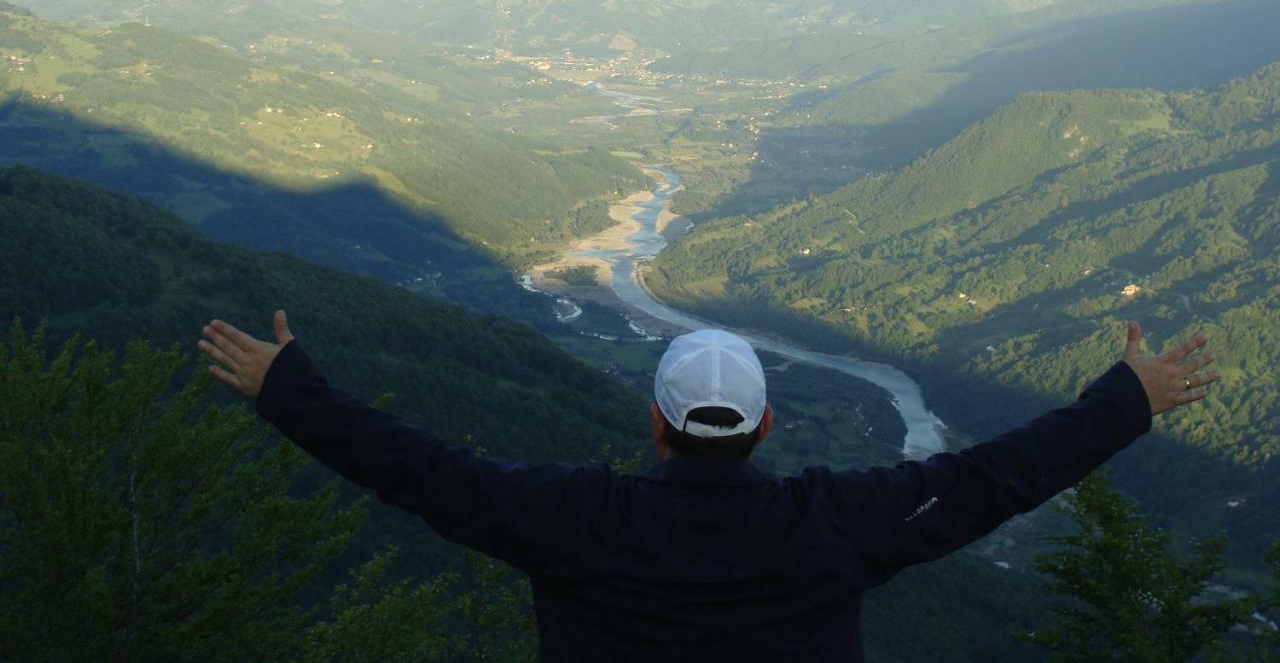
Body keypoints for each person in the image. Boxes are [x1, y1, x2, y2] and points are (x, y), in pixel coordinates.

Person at [197, 314, 1219, 662]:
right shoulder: (834, 527)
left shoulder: (572, 521)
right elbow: (994, 479)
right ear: (766, 425)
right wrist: (1125, 399)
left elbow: (420, 470)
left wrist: (291, 390)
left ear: (655, 422)